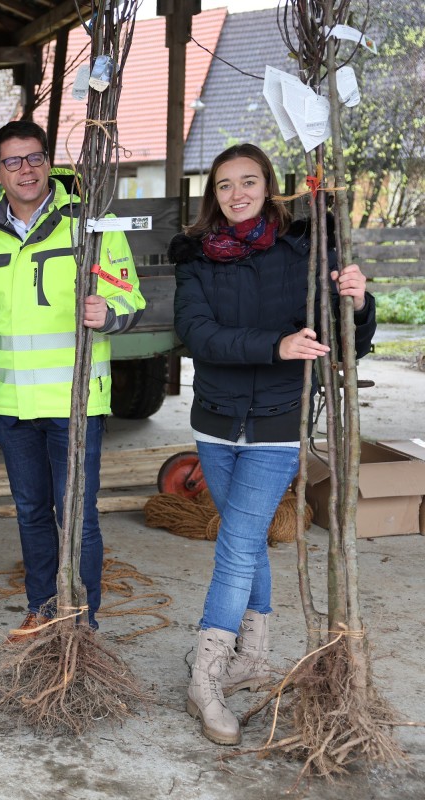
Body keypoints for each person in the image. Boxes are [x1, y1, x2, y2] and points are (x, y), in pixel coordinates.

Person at [172, 143, 375, 745]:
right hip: (214, 420)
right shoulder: (196, 258)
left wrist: (358, 303)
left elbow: (349, 342)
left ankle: (204, 679)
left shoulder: (304, 252)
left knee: (235, 546)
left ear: (269, 187)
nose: (237, 194)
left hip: (279, 421)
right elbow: (197, 333)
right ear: (213, 193)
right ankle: (252, 657)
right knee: (248, 540)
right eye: (225, 184)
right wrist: (275, 344)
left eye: (249, 182)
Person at [0, 120, 146, 637]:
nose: (26, 169)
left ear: (49, 161)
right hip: (14, 408)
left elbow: (130, 300)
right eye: (13, 161)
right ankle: (42, 607)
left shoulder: (91, 225)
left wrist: (105, 312)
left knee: (78, 517)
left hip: (75, 401)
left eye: (35, 157)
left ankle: (83, 620)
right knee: (30, 513)